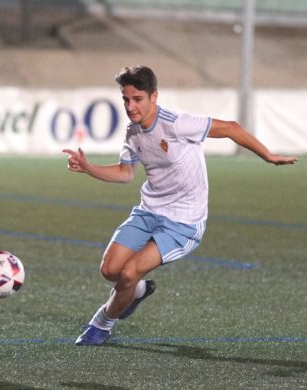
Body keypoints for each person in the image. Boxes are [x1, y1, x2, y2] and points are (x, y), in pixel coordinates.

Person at [63, 65, 297, 346]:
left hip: (183, 223)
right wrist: (89, 168)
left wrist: (268, 156)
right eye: (125, 99)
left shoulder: (177, 123)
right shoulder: (133, 131)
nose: (130, 106)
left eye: (137, 99)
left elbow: (231, 129)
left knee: (128, 273)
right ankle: (135, 293)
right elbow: (126, 174)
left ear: (154, 97)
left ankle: (101, 324)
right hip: (148, 211)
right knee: (110, 271)